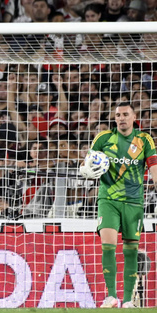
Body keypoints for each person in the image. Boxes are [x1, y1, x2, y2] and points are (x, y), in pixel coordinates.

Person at [83, 102, 157, 308]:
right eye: (117, 115)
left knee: (131, 250)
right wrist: (86, 170)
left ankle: (127, 301)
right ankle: (111, 296)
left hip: (134, 201)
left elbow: (153, 166)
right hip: (109, 199)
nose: (121, 118)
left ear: (134, 117)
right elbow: (88, 162)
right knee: (108, 246)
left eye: (125, 114)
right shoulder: (104, 138)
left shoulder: (144, 139)